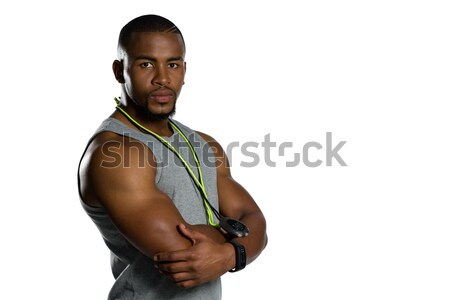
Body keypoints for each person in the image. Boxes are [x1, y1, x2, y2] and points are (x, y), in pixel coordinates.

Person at [77, 14, 267, 299]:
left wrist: (229, 254)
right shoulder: (115, 153)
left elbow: (255, 222)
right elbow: (184, 256)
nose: (163, 79)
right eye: (146, 64)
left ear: (184, 70)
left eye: (173, 64)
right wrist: (236, 242)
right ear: (119, 71)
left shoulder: (203, 143)